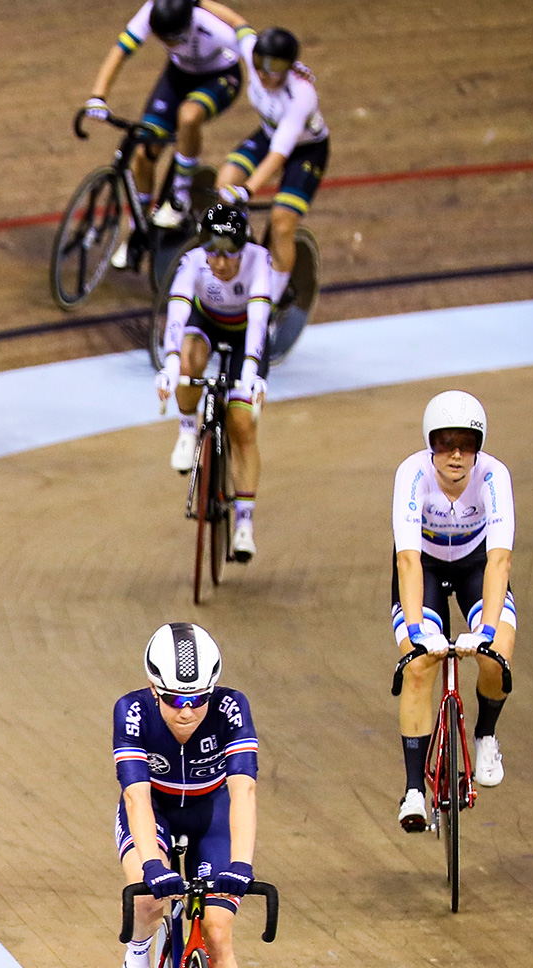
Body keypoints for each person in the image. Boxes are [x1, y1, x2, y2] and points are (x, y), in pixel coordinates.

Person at [112, 622, 258, 968]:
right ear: (154, 690)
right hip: (153, 813)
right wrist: (154, 866)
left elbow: (242, 792)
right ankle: (135, 962)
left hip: (210, 818)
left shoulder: (232, 707)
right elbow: (135, 796)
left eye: (197, 700)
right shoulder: (130, 711)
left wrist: (241, 865)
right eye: (174, 700)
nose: (187, 711)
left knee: (218, 932)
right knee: (151, 899)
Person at [391, 391, 516, 829]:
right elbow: (407, 560)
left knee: (497, 653)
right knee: (419, 665)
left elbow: (499, 560)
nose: (457, 454)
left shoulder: (494, 476)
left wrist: (485, 631)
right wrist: (415, 629)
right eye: (446, 442)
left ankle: (485, 735)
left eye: (467, 442)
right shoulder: (412, 473)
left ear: (479, 446)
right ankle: (412, 791)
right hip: (422, 566)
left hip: (475, 565)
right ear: (431, 444)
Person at [157, 203, 270, 561]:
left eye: (229, 253)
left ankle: (244, 525)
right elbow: (177, 308)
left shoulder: (259, 261)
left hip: (244, 337)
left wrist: (250, 373)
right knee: (189, 358)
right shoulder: (193, 261)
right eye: (213, 252)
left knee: (241, 424)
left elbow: (257, 321)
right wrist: (171, 364)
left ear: (243, 247)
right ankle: (189, 430)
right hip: (205, 322)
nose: (219, 263)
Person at [86, 0, 254, 228]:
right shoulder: (150, 11)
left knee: (188, 117)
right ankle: (138, 229)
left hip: (220, 78)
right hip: (178, 76)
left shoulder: (209, 26)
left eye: (168, 40)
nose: (164, 43)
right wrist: (98, 95)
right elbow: (120, 51)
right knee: (143, 152)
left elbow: (251, 43)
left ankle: (180, 197)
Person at [215, 27, 328, 295]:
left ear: (289, 67)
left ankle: (271, 298)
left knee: (281, 222)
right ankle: (243, 248)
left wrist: (249, 189)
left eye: (274, 66)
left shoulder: (301, 94)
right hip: (268, 134)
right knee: (225, 184)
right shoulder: (255, 55)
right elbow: (238, 24)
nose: (264, 73)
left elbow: (279, 154)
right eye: (259, 65)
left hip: (305, 151)